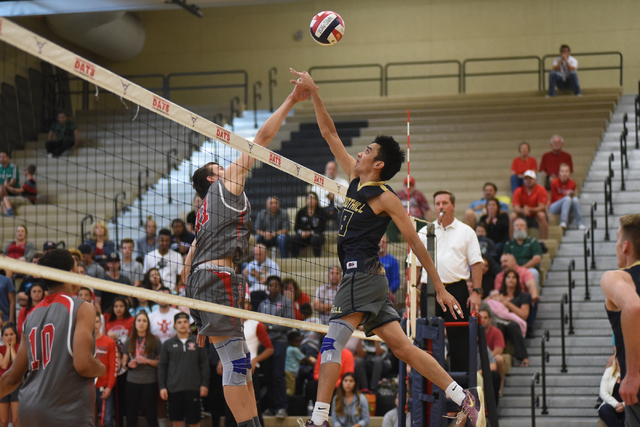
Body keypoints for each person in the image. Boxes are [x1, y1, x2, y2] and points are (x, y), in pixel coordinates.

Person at [294, 69, 484, 427]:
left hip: (361, 275)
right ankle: (463, 396)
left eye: (368, 150)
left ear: (378, 163)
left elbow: (414, 239)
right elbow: (328, 132)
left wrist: (439, 285)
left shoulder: (384, 197)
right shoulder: (353, 175)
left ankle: (319, 420)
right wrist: (314, 92)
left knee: (333, 340)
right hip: (370, 281)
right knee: (404, 348)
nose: (361, 152)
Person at [180, 79, 310, 427]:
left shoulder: (204, 217)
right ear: (211, 180)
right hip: (218, 278)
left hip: (208, 279)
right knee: (237, 361)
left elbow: (187, 265)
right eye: (217, 168)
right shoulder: (224, 187)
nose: (225, 167)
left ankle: (252, 422)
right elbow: (262, 141)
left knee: (241, 359)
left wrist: (195, 310)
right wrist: (292, 99)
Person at [0, 249, 105, 426]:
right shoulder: (82, 308)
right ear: (71, 274)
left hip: (28, 411)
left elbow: (12, 378)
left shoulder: (30, 316)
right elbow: (83, 364)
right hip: (66, 411)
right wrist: (102, 368)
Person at [416, 190, 484, 372]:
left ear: (453, 206)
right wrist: (414, 292)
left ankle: (460, 388)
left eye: (445, 203)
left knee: (458, 339)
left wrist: (476, 292)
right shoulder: (425, 232)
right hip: (429, 292)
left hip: (456, 290)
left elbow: (477, 263)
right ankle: (431, 387)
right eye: (437, 203)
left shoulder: (466, 232)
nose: (441, 207)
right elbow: (414, 265)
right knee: (428, 339)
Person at [600, 214, 640, 421]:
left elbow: (633, 307)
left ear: (625, 246)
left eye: (616, 240)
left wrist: (633, 374)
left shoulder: (618, 277)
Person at [159, 312, 210, 427]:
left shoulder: (198, 342)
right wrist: (162, 387)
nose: (182, 325)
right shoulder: (167, 344)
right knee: (177, 422)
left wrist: (204, 384)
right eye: (179, 322)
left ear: (189, 324)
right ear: (175, 325)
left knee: (195, 422)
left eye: (185, 322)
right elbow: (162, 366)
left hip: (193, 388)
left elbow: (204, 365)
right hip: (174, 389)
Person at [258, 276, 295, 418]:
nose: (273, 288)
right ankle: (272, 407)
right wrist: (266, 328)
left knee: (278, 375)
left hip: (280, 341)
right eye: (271, 285)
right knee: (267, 377)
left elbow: (288, 323)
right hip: (265, 342)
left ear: (279, 287)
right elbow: (260, 325)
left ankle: (281, 407)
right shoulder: (263, 304)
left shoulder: (286, 302)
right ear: (267, 287)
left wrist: (271, 326)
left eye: (276, 285)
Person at [122, 311, 161, 427]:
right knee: (131, 415)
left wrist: (147, 361)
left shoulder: (155, 340)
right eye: (139, 321)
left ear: (148, 324)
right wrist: (130, 364)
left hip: (149, 382)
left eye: (144, 321)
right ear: (135, 324)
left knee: (151, 415)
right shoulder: (129, 341)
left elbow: (161, 363)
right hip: (132, 382)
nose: (141, 323)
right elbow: (123, 364)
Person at [486, 270, 530, 367]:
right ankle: (498, 356)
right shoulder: (498, 294)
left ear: (517, 280)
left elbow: (524, 315)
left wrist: (508, 304)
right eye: (508, 277)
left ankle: (523, 357)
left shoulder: (523, 296)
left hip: (513, 321)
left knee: (513, 326)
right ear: (504, 280)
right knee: (498, 327)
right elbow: (486, 304)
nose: (511, 280)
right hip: (499, 320)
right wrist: (492, 298)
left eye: (513, 277)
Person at [504, 218, 543, 289]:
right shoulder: (508, 244)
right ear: (513, 228)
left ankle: (533, 297)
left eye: (522, 225)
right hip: (513, 270)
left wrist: (522, 269)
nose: (519, 227)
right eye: (517, 225)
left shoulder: (533, 242)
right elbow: (505, 259)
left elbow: (537, 259)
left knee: (533, 273)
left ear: (526, 228)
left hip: (529, 269)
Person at [510, 170, 548, 239]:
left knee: (541, 215)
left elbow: (542, 207)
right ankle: (512, 241)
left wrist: (529, 209)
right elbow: (516, 207)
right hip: (523, 215)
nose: (528, 180)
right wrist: (523, 210)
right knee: (513, 216)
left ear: (535, 180)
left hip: (535, 216)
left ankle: (544, 241)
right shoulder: (518, 190)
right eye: (526, 178)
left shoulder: (541, 190)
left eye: (530, 178)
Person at [143, 228, 183, 293]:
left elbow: (180, 277)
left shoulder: (177, 256)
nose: (164, 243)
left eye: (167, 241)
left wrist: (177, 291)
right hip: (153, 293)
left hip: (171, 293)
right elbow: (146, 276)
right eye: (162, 240)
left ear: (170, 241)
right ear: (158, 240)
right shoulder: (149, 256)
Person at [95, 313, 117, 427]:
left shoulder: (109, 342)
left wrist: (109, 387)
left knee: (107, 420)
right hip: (86, 386)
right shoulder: (82, 342)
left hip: (104, 386)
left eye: (97, 321)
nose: (94, 324)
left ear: (101, 323)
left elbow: (113, 367)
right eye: (92, 321)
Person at [479, 310, 507, 397]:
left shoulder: (496, 331)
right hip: (477, 358)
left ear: (490, 320)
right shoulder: (473, 331)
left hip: (489, 358)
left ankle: (499, 387)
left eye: (485, 318)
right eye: (480, 318)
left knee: (499, 359)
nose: (483, 320)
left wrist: (486, 356)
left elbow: (499, 350)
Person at [311, 160, 348, 224]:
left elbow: (347, 199)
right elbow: (313, 196)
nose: (331, 171)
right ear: (326, 170)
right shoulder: (319, 181)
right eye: (329, 169)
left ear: (337, 171)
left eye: (333, 169)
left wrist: (335, 197)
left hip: (338, 209)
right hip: (322, 209)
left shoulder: (344, 183)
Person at [549, 163, 585, 229]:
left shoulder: (573, 183)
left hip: (567, 205)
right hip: (554, 206)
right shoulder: (554, 183)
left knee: (575, 199)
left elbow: (571, 199)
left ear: (569, 173)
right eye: (562, 171)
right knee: (567, 198)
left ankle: (580, 223)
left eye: (566, 171)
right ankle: (563, 221)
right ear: (559, 173)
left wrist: (570, 195)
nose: (564, 174)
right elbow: (555, 198)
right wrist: (565, 195)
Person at [291, 191, 326, 257]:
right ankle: (294, 258)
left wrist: (311, 232)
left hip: (316, 236)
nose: (311, 200)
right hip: (303, 237)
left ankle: (317, 258)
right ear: (306, 200)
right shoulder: (301, 212)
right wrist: (301, 232)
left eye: (313, 198)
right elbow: (296, 227)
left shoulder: (321, 212)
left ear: (316, 201)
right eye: (309, 198)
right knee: (294, 238)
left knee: (315, 239)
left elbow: (322, 228)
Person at [598, 350, 626, 427]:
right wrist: (616, 404)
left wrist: (623, 405)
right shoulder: (609, 371)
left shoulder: (631, 374)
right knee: (604, 410)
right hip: (612, 404)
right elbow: (603, 393)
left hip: (628, 404)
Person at [0, 323, 20, 427]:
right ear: (2, 337)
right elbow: (3, 365)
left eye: (11, 334)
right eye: (6, 335)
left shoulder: (19, 347)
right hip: (2, 386)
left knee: (16, 420)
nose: (9, 337)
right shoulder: (0, 349)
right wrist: (8, 349)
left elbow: (17, 365)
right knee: (3, 421)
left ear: (16, 335)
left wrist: (12, 348)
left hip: (16, 385)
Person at [285, 330, 313, 395]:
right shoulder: (294, 349)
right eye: (296, 342)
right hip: (290, 372)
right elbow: (305, 359)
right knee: (291, 389)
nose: (298, 344)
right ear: (290, 341)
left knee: (288, 386)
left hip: (288, 371)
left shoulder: (288, 348)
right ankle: (287, 400)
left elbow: (301, 361)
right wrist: (314, 364)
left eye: (299, 342)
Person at [0, 152, 19, 216]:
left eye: (4, 157)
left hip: (12, 189)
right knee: (1, 188)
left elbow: (13, 181)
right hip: (2, 190)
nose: (2, 158)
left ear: (8, 158)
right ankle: (7, 211)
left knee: (2, 188)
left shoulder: (13, 167)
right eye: (0, 157)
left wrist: (6, 185)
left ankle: (7, 210)